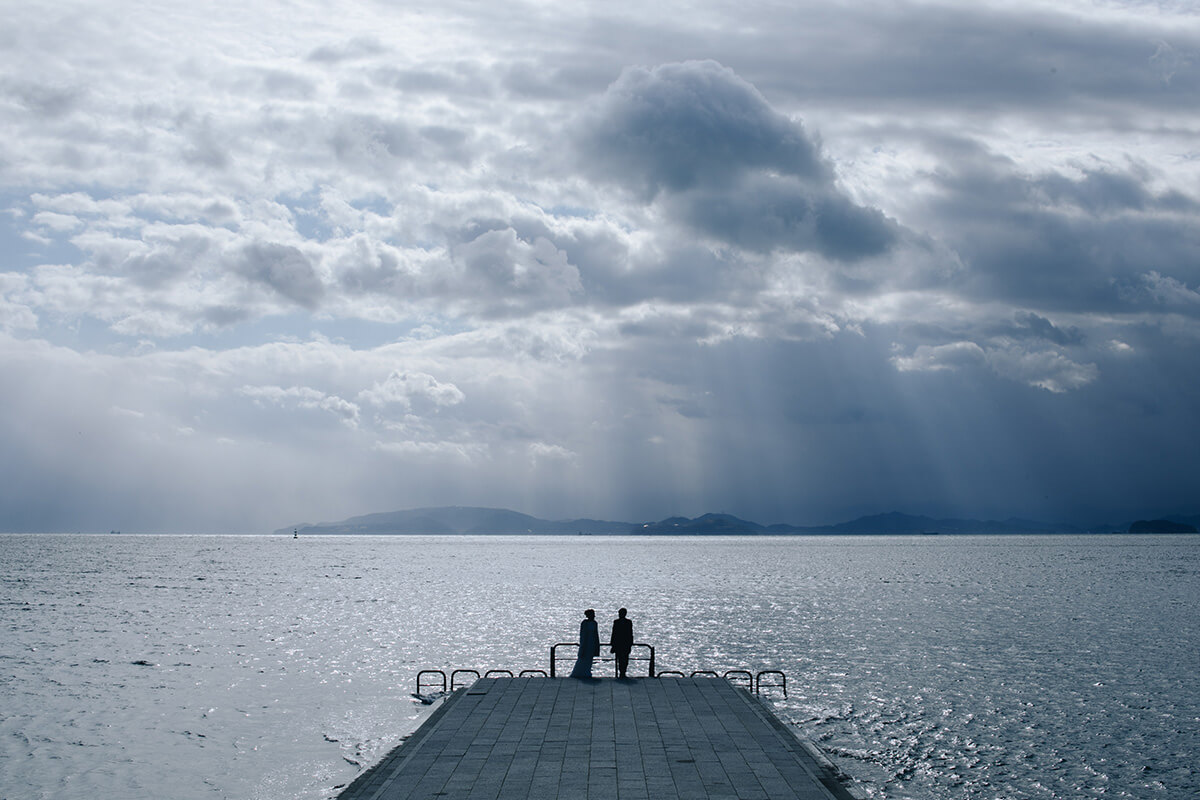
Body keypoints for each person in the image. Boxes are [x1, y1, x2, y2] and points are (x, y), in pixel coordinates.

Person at [569, 609, 601, 678]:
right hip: (586, 643)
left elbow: (596, 634)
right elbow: (583, 634)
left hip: (592, 643)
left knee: (589, 659)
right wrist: (582, 645)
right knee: (583, 658)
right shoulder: (584, 623)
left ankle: (586, 672)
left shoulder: (595, 623)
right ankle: (580, 673)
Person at [610, 607, 634, 678]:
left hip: (624, 643)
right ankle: (621, 672)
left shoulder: (628, 622)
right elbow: (614, 633)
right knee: (620, 658)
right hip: (620, 643)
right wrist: (613, 644)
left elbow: (630, 633)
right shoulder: (617, 622)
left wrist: (630, 643)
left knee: (625, 659)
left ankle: (623, 672)